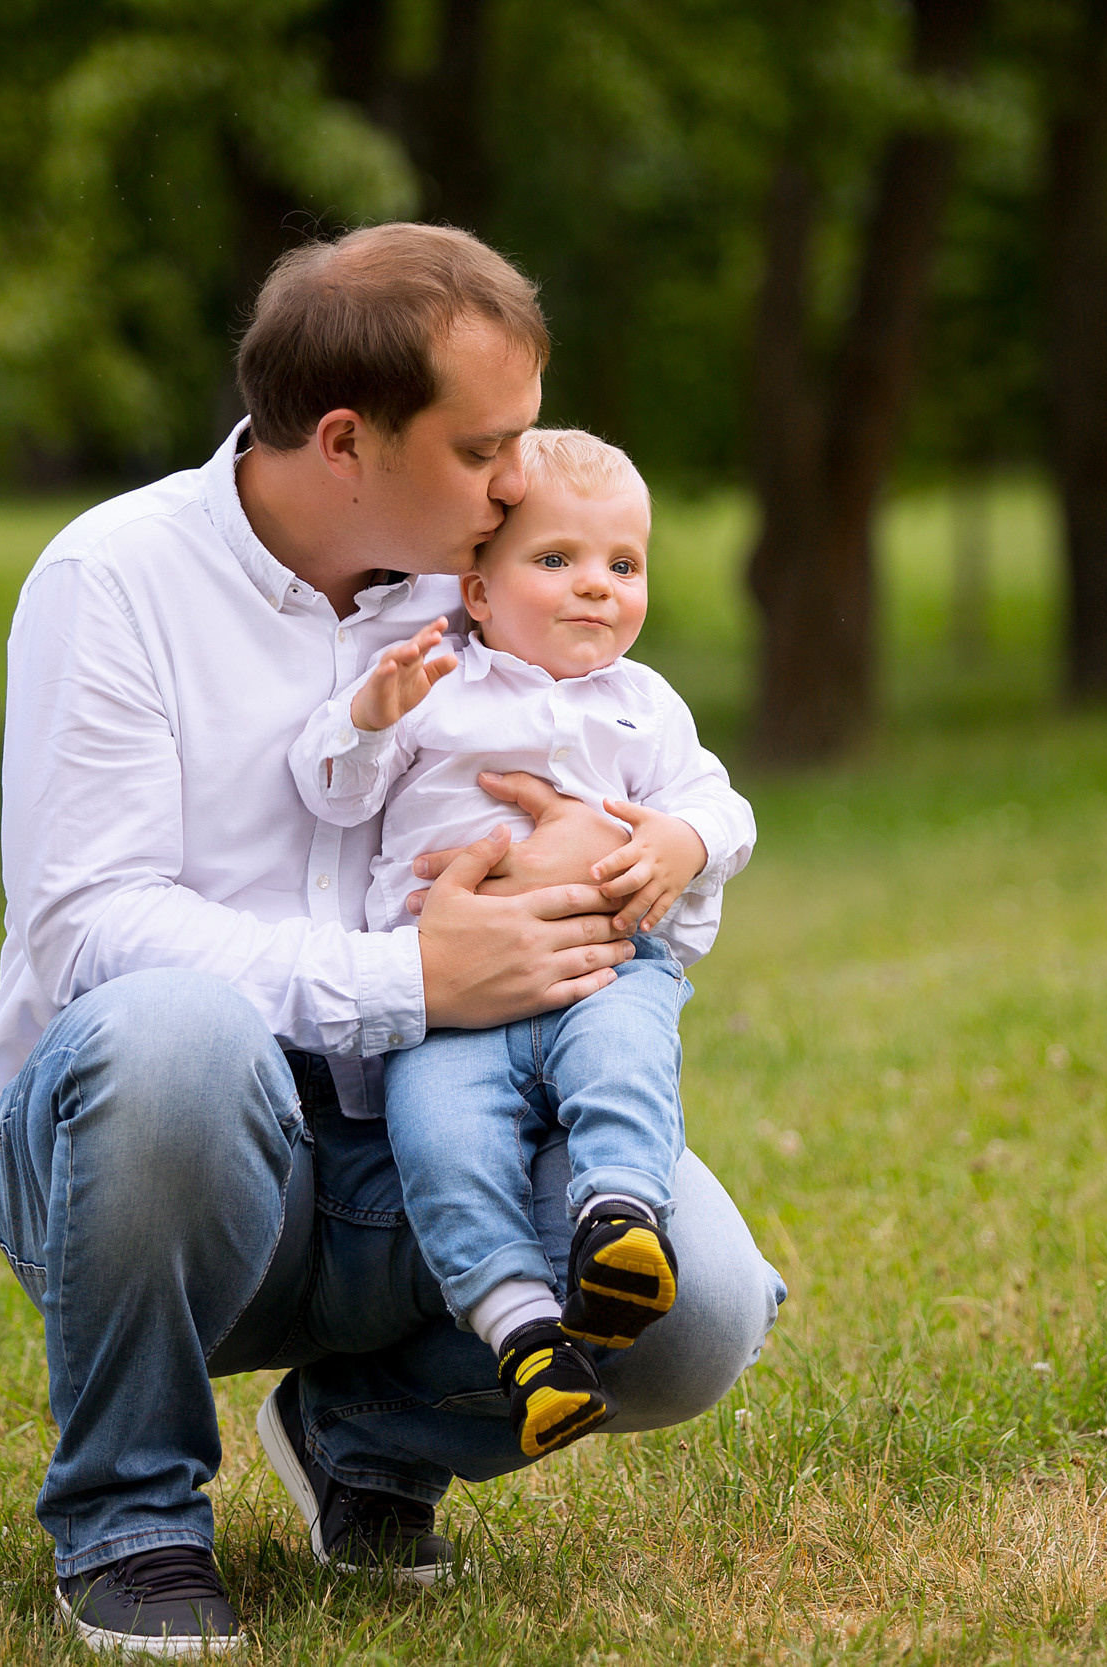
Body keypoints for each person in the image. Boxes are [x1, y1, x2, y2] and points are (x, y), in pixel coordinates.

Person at [0, 223, 785, 1656]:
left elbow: (653, 825)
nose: (522, 480)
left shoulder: (492, 588)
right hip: (168, 1169)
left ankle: (361, 1435)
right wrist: (409, 976)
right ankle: (132, 1517)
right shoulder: (117, 583)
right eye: (486, 450)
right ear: (345, 441)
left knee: (696, 1306)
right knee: (173, 1029)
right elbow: (90, 927)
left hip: (420, 1146)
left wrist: (617, 865)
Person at [286, 428, 754, 1462]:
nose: (595, 587)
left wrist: (682, 837)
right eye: (556, 560)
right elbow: (332, 789)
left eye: (621, 565)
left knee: (623, 1066)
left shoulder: (645, 706)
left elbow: (723, 809)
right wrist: (368, 719)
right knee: (443, 1145)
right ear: (479, 591)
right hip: (446, 1007)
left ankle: (615, 1217)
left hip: (603, 972)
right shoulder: (435, 680)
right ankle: (521, 1332)